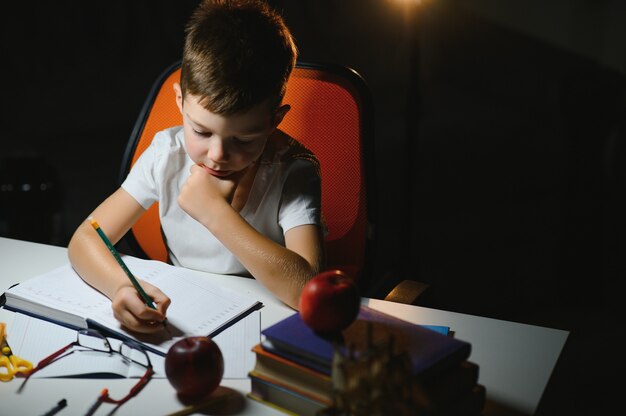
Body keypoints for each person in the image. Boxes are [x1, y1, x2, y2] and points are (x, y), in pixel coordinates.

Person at [68, 0, 325, 334]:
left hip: (266, 323)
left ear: (274, 120)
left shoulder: (295, 171)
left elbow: (310, 291)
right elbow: (88, 237)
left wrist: (215, 214)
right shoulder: (167, 154)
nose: (217, 155)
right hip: (184, 318)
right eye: (201, 131)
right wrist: (121, 286)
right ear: (180, 102)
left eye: (244, 140)